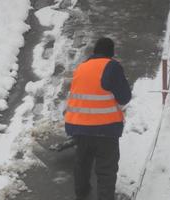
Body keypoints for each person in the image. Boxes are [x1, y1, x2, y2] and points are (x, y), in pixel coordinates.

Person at [64, 37, 131, 200]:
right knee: (106, 170)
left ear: (95, 51)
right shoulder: (111, 66)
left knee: (82, 163)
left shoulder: (81, 67)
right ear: (111, 53)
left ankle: (82, 194)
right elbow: (124, 97)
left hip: (79, 126)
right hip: (105, 128)